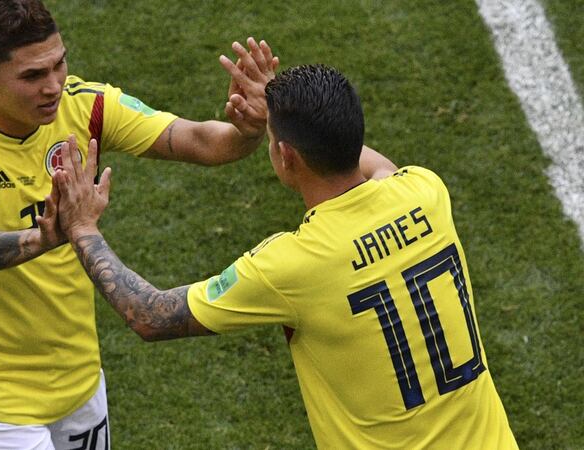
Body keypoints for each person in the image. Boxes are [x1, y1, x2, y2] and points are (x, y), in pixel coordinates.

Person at [49, 64, 519, 448]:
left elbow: (150, 315)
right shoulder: (425, 192)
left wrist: (83, 228)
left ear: (285, 156)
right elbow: (372, 165)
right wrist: (287, 109)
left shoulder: (291, 265)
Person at [0, 0, 277, 447]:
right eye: (33, 76)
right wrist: (50, 236)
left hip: (78, 378)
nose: (54, 86)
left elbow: (201, 141)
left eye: (59, 64)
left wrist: (249, 129)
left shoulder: (87, 106)